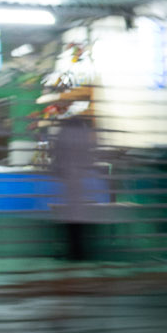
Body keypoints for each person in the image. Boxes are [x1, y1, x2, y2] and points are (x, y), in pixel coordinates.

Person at [48, 112, 106, 262]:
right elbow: (89, 154)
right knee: (79, 217)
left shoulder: (64, 132)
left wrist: (56, 169)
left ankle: (72, 251)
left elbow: (56, 153)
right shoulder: (84, 133)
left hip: (67, 179)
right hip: (82, 179)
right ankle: (79, 252)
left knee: (69, 217)